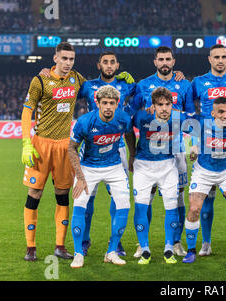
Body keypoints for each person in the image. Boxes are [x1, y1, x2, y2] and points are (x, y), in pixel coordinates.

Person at [21, 42, 85, 261]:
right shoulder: (40, 80)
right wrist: (26, 142)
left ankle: (60, 246)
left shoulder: (76, 78)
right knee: (34, 193)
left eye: (71, 59)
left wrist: (118, 80)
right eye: (64, 58)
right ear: (55, 58)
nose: (68, 63)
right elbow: (27, 111)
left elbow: (95, 89)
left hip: (64, 146)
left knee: (62, 195)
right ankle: (31, 247)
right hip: (41, 144)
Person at [131, 46, 195, 258]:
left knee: (178, 198)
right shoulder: (143, 85)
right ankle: (143, 244)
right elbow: (135, 113)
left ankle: (176, 242)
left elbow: (191, 116)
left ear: (173, 61)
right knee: (146, 198)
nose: (165, 62)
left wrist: (192, 142)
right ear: (155, 61)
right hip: (149, 152)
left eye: (168, 59)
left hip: (175, 150)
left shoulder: (184, 84)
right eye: (161, 59)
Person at [75, 51, 137, 257]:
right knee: (87, 199)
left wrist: (131, 154)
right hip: (90, 148)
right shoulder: (88, 86)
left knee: (117, 198)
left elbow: (145, 95)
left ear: (117, 65)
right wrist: (49, 71)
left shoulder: (126, 85)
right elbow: (67, 88)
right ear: (98, 65)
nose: (109, 65)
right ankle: (84, 240)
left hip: (116, 148)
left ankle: (115, 243)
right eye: (105, 62)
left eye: (112, 62)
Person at [182, 97, 226, 263]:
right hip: (203, 172)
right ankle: (191, 251)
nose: (225, 115)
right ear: (213, 113)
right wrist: (194, 145)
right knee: (194, 209)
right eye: (221, 112)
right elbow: (176, 117)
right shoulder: (201, 123)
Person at [191, 43, 226, 256]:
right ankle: (206, 243)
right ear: (209, 59)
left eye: (224, 56)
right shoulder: (199, 82)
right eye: (216, 57)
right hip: (206, 144)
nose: (220, 60)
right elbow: (188, 108)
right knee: (206, 197)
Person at [68, 85, 133, 268]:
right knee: (80, 204)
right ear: (97, 103)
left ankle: (111, 251)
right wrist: (80, 177)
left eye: (112, 103)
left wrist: (133, 155)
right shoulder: (85, 121)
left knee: (124, 205)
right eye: (104, 103)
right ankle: (78, 253)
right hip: (88, 168)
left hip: (113, 166)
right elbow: (71, 148)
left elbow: (129, 135)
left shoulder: (123, 118)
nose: (108, 107)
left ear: (117, 103)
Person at [126, 87, 187, 265]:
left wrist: (197, 146)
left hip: (168, 166)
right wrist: (131, 153)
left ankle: (169, 247)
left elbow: (199, 126)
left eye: (168, 104)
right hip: (143, 166)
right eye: (160, 105)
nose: (164, 108)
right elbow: (128, 129)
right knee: (141, 207)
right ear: (153, 105)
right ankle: (144, 248)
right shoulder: (142, 116)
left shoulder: (178, 117)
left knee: (171, 206)